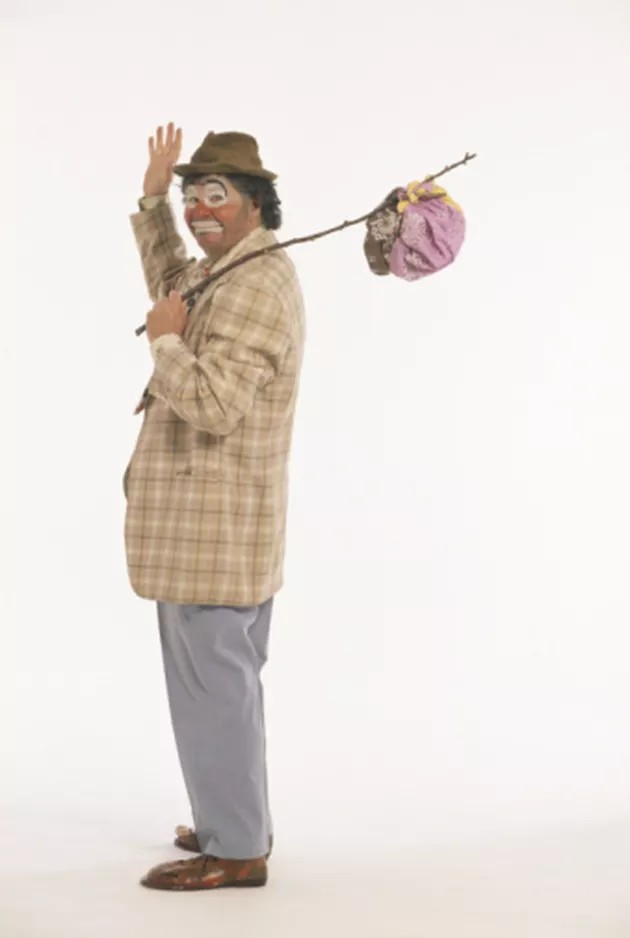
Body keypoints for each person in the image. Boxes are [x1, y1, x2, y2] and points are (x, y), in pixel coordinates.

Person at [122, 124, 306, 891]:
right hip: (203, 532)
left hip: (215, 535)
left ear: (255, 202)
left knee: (217, 695)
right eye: (193, 195)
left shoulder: (257, 285)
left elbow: (215, 403)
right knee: (216, 691)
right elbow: (176, 283)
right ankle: (233, 819)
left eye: (215, 195)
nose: (200, 209)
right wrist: (152, 201)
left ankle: (237, 851)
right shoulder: (227, 270)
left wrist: (164, 344)